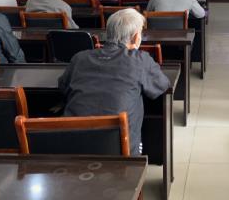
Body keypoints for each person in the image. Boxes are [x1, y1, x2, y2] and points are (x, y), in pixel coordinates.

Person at [58, 8, 170, 155]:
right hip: (119, 150)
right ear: (136, 37)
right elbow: (163, 85)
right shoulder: (140, 59)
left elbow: (63, 87)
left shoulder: (80, 58)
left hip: (71, 145)